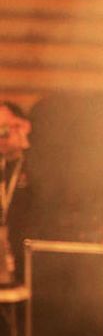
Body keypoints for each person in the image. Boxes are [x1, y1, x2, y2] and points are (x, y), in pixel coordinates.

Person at [0, 101, 32, 284]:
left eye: (4, 130)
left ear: (23, 126)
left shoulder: (38, 166)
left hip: (28, 257)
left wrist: (22, 142)